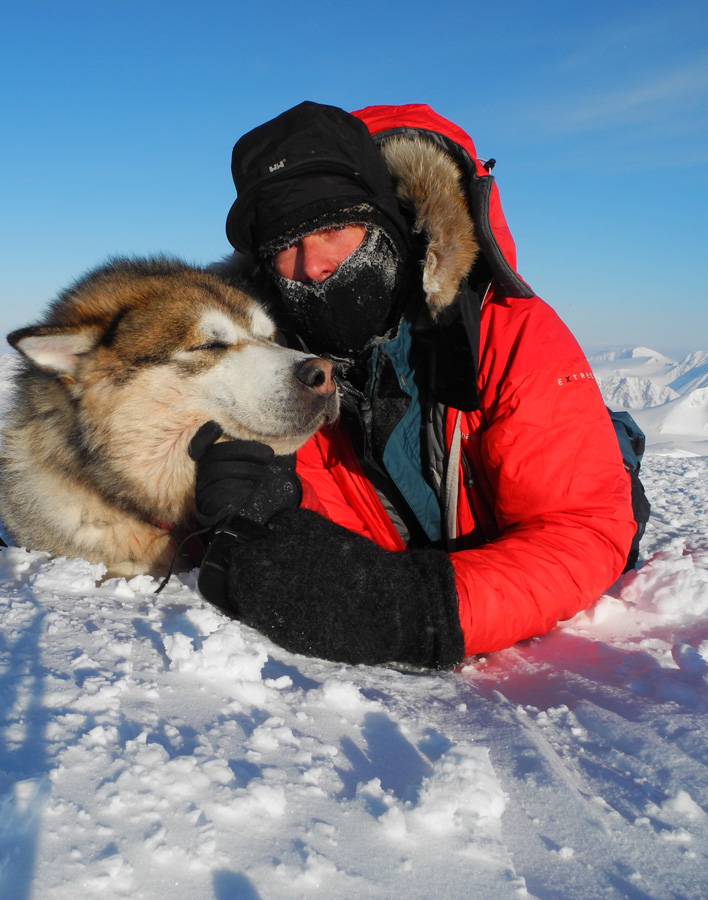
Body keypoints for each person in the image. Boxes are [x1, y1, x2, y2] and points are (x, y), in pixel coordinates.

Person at [189, 101, 643, 670]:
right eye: (285, 244)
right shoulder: (275, 371)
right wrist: (266, 519)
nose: (312, 265)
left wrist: (419, 612)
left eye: (333, 228)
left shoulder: (506, 328)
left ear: (388, 221)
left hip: (495, 574)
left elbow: (580, 530)